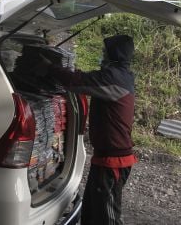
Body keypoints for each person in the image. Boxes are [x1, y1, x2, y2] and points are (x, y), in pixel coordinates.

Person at [37, 34, 136, 225]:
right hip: (106, 158)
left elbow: (77, 81)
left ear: (114, 55)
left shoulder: (114, 78)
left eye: (105, 52)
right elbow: (85, 79)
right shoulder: (119, 76)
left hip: (113, 161)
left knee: (107, 217)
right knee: (92, 211)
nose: (102, 55)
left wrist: (50, 67)